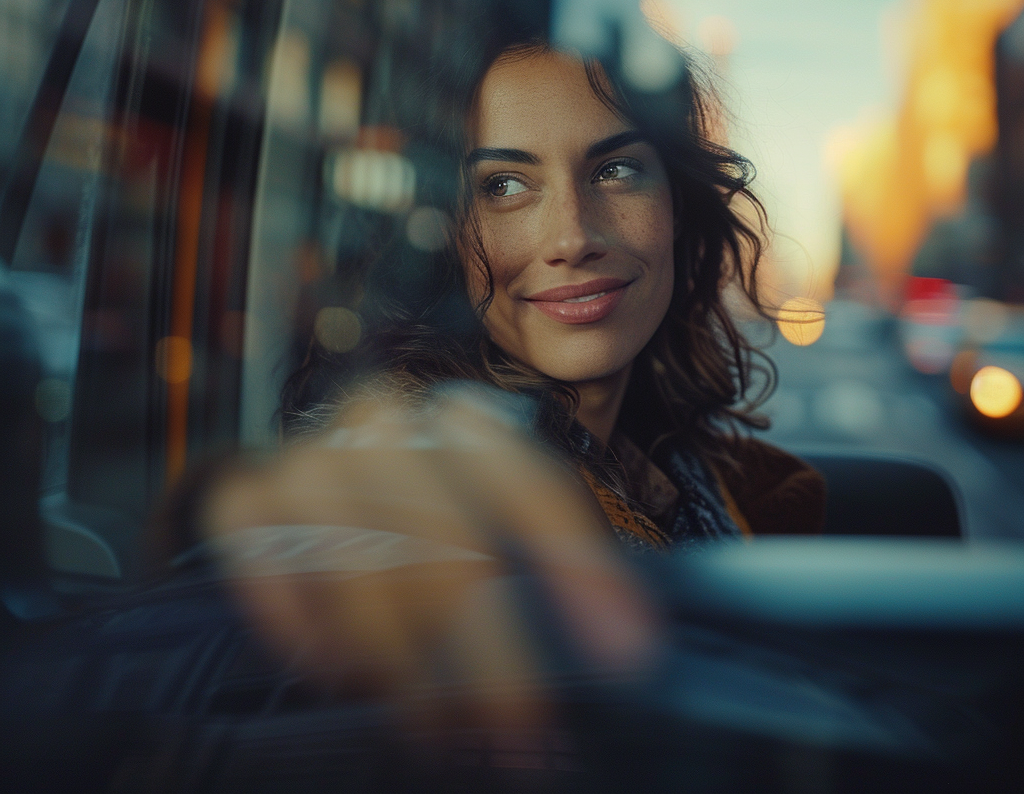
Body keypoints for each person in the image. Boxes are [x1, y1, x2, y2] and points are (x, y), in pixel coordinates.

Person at [179, 39, 825, 724]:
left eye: (616, 170)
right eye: (504, 186)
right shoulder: (436, 478)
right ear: (446, 236)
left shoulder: (724, 486)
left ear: (679, 208)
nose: (572, 237)